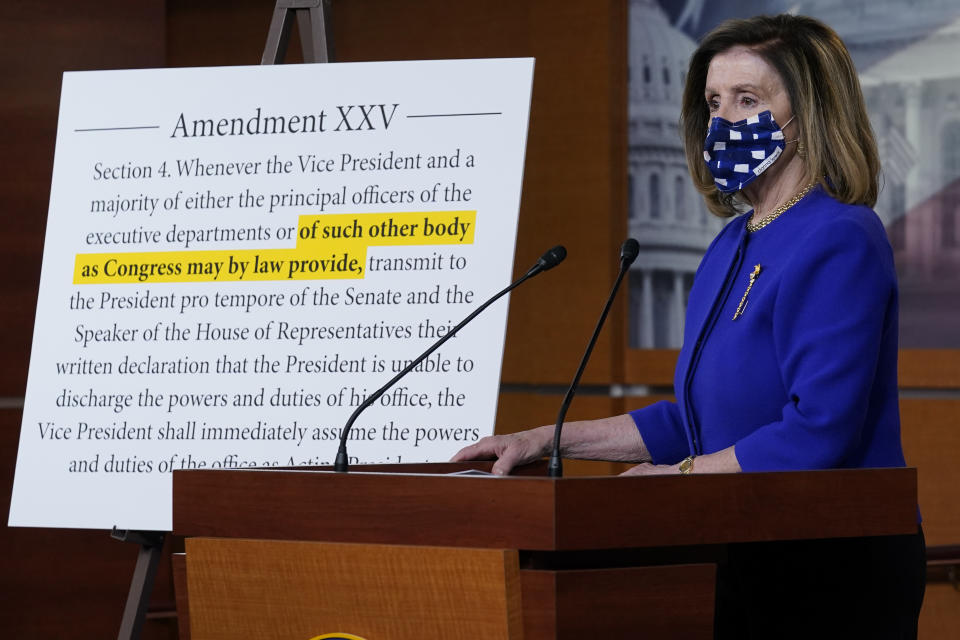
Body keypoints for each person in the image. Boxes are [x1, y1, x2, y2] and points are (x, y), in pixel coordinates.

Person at [452, 14, 925, 638]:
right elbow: (692, 423)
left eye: (747, 100)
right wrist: (546, 439)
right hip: (741, 546)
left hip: (832, 562)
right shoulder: (733, 242)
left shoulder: (841, 237)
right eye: (713, 102)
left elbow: (818, 432)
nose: (723, 120)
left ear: (806, 114)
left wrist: (675, 481)